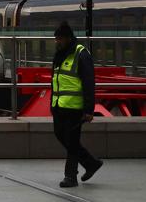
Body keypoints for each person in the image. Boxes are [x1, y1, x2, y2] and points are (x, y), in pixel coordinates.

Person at [51, 21, 103, 188]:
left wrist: (89, 109)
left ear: (68, 38)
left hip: (75, 107)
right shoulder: (60, 55)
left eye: (59, 38)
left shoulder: (81, 54)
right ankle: (91, 163)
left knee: (72, 142)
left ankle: (70, 177)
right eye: (56, 38)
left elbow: (89, 83)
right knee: (60, 135)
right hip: (59, 106)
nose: (57, 42)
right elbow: (56, 81)